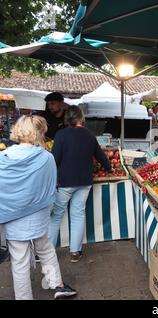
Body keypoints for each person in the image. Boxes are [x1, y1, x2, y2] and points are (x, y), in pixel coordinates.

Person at [0, 115, 77, 300]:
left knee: (19, 261)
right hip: (38, 216)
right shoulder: (46, 157)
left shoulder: (2, 158)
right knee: (45, 248)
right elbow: (51, 188)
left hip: (10, 218)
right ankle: (56, 284)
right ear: (39, 132)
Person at [48, 106, 111, 263]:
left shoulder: (61, 135)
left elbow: (54, 160)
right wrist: (108, 168)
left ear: (67, 118)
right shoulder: (89, 135)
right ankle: (75, 252)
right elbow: (101, 157)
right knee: (77, 215)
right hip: (84, 182)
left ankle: (47, 254)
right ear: (81, 118)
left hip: (64, 183)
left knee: (56, 216)